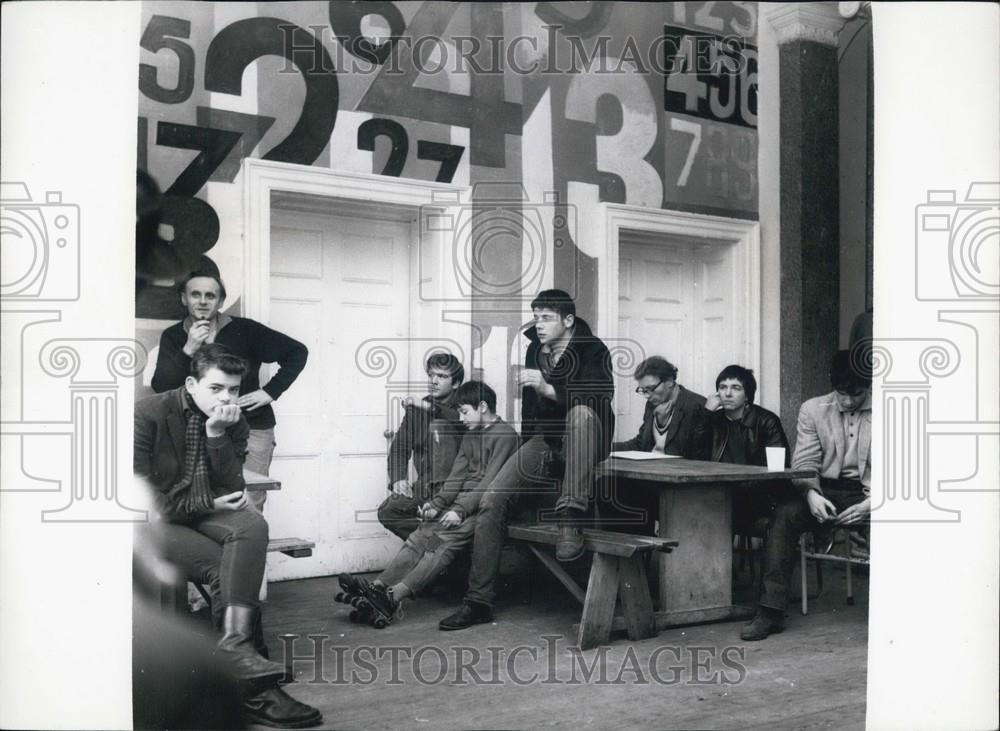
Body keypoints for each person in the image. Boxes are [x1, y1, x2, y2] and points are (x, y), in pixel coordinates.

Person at [135, 344, 321, 728]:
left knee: (252, 526)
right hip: (155, 526)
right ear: (192, 384)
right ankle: (254, 688)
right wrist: (205, 503)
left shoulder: (233, 420)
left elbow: (232, 488)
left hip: (201, 513)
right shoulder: (147, 414)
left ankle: (235, 649)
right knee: (232, 566)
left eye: (233, 390)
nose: (226, 398)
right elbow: (143, 502)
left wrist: (216, 434)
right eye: (216, 388)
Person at [438, 289, 615, 631]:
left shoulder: (593, 349)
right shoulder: (536, 349)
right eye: (536, 318)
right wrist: (525, 454)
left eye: (547, 318)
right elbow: (530, 410)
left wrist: (549, 388)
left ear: (568, 320)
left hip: (586, 437)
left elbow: (600, 396)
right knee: (492, 500)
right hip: (546, 440)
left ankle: (570, 519)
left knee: (580, 414)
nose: (540, 324)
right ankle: (478, 602)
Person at [340, 381, 519, 624]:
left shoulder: (506, 436)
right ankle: (377, 587)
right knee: (421, 535)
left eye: (464, 412)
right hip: (461, 504)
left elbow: (490, 483)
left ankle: (393, 597)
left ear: (483, 407)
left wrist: (459, 510)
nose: (461, 418)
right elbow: (456, 476)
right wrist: (437, 504)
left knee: (440, 542)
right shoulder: (471, 434)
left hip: (483, 507)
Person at [742, 350, 872, 641]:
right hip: (823, 488)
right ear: (831, 383)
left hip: (870, 493)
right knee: (783, 516)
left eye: (857, 394)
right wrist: (811, 494)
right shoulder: (813, 409)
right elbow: (804, 461)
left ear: (869, 385)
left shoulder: (889, 410)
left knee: (895, 528)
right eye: (841, 393)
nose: (848, 401)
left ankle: (896, 613)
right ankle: (770, 611)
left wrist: (871, 505)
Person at [151, 270, 308, 510]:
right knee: (204, 498)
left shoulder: (246, 330)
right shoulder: (173, 336)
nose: (203, 301)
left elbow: (297, 352)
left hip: (251, 427)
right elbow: (161, 387)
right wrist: (188, 348)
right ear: (184, 298)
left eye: (210, 295)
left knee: (250, 500)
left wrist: (270, 392)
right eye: (195, 294)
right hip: (195, 430)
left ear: (221, 301)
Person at [606, 356, 706, 532]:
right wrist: (604, 448)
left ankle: (641, 543)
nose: (647, 395)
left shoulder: (695, 405)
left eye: (651, 389)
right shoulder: (652, 404)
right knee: (607, 485)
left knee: (625, 492)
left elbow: (694, 453)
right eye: (643, 390)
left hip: (678, 482)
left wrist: (662, 422)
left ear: (670, 382)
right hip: (651, 477)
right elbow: (641, 443)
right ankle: (629, 545)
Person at [377, 352, 465, 540]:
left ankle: (440, 549)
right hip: (426, 484)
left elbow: (456, 419)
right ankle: (431, 544)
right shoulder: (416, 410)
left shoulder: (465, 406)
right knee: (388, 511)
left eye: (441, 376)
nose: (433, 381)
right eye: (431, 375)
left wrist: (425, 406)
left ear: (456, 383)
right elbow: (400, 447)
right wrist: (398, 479)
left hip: (457, 486)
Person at [699, 364, 790, 530]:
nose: (727, 393)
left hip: (756, 496)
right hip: (719, 493)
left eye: (736, 388)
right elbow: (694, 456)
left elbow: (778, 468)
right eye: (722, 387)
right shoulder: (713, 419)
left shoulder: (766, 421)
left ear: (747, 395)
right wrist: (706, 414)